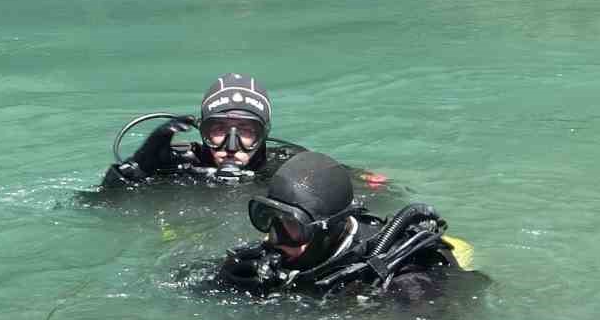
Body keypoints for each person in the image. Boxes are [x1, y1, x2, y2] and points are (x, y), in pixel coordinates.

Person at [216, 152, 477, 303]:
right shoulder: (286, 249)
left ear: (327, 230)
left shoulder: (406, 280)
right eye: (267, 217)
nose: (273, 237)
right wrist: (226, 276)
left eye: (291, 226)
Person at [101, 73, 306, 188]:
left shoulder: (288, 169)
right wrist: (137, 168)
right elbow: (99, 210)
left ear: (264, 134)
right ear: (202, 131)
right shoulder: (176, 166)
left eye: (246, 130)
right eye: (218, 129)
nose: (232, 147)